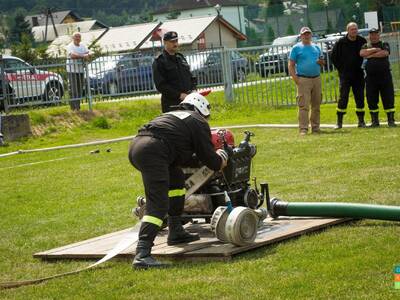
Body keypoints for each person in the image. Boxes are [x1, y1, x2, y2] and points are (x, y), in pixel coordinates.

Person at [128, 93, 228, 269]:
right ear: (201, 109)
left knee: (176, 181)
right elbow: (211, 161)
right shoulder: (198, 121)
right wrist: (221, 158)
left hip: (139, 146)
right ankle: (142, 254)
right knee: (157, 205)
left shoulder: (172, 115)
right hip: (154, 151)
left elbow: (183, 154)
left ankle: (175, 230)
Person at [288, 27, 325, 135]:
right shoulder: (296, 48)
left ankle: (315, 127)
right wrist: (296, 79)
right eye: (304, 34)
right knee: (303, 105)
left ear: (311, 35)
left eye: (308, 34)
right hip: (303, 79)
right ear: (301, 36)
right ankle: (303, 128)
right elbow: (291, 65)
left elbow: (322, 62)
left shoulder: (316, 48)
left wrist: (321, 62)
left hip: (316, 78)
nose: (306, 36)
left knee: (316, 104)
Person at [331, 22, 367, 129]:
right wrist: (341, 70)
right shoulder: (340, 42)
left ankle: (361, 121)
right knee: (343, 97)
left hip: (358, 75)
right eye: (352, 29)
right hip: (345, 75)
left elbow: (366, 54)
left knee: (360, 97)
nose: (354, 31)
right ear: (348, 31)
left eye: (355, 29)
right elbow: (333, 57)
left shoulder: (362, 41)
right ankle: (339, 122)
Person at [152, 31, 197, 113]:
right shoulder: (160, 61)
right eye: (172, 42)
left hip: (188, 101)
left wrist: (193, 90)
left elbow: (191, 77)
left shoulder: (180, 58)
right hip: (172, 104)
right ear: (165, 42)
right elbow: (161, 85)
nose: (175, 44)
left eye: (176, 41)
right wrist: (179, 95)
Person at [360, 28, 396, 127]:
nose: (374, 36)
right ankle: (375, 121)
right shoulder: (365, 45)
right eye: (372, 34)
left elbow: (384, 53)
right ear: (369, 36)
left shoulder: (384, 43)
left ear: (378, 35)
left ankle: (391, 120)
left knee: (388, 97)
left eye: (375, 34)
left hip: (385, 76)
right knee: (371, 98)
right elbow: (362, 53)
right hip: (371, 78)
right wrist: (375, 50)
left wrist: (370, 55)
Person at [66, 32, 90, 111]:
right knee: (74, 89)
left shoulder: (83, 45)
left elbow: (88, 53)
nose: (77, 38)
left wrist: (86, 55)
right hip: (72, 71)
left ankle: (76, 107)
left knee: (80, 89)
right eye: (76, 37)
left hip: (80, 70)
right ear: (73, 38)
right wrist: (83, 56)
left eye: (79, 37)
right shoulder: (70, 46)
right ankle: (75, 108)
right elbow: (72, 56)